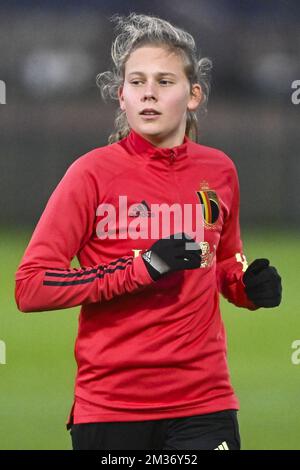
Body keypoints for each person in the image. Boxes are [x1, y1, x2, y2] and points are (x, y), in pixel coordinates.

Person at [15, 12, 282, 450]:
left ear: (193, 95)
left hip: (205, 404)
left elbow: (223, 263)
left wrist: (247, 287)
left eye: (164, 81)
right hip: (112, 407)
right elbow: (31, 286)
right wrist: (142, 268)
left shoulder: (220, 171)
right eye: (136, 82)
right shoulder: (90, 175)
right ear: (121, 96)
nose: (149, 94)